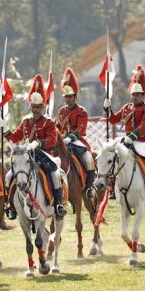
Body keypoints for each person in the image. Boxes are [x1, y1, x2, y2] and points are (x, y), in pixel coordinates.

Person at [0, 74, 67, 220]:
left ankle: (57, 204)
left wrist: (38, 143)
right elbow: (14, 138)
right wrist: (4, 129)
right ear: (30, 106)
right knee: (9, 175)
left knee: (54, 175)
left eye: (38, 107)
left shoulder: (48, 122)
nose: (36, 110)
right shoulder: (26, 122)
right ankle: (10, 205)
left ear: (43, 106)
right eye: (33, 107)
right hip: (26, 156)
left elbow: (52, 140)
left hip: (44, 155)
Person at [105, 65, 145, 197]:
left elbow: (144, 126)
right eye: (133, 94)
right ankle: (113, 186)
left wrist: (133, 135)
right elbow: (113, 120)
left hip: (144, 140)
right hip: (128, 141)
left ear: (143, 95)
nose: (135, 97)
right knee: (115, 157)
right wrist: (108, 109)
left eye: (137, 95)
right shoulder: (126, 107)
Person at [57, 67, 96, 198]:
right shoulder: (62, 111)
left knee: (89, 158)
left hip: (77, 140)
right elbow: (58, 126)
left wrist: (71, 137)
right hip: (63, 140)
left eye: (70, 97)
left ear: (75, 97)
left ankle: (90, 187)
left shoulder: (82, 111)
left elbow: (81, 129)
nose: (67, 99)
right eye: (66, 97)